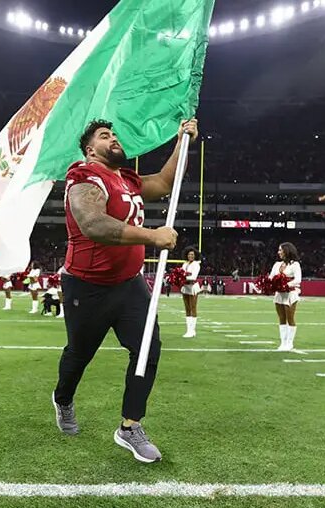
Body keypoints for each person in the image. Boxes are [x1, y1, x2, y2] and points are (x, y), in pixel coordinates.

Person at [52, 118, 197, 463]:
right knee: (79, 354)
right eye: (105, 136)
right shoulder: (84, 177)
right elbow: (93, 224)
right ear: (90, 149)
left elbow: (163, 182)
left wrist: (182, 141)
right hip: (87, 286)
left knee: (147, 348)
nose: (114, 139)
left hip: (129, 283)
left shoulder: (126, 179)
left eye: (115, 135)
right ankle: (63, 399)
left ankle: (130, 426)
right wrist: (152, 236)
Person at [270, 242, 302, 351]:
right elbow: (271, 277)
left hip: (290, 294)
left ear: (286, 251)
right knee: (281, 318)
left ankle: (290, 343)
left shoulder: (295, 264)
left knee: (290, 318)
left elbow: (298, 279)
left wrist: (285, 285)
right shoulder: (277, 264)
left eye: (280, 250)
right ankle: (283, 343)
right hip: (279, 294)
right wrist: (268, 284)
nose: (278, 252)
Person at [180, 248, 201, 338]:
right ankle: (188, 330)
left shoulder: (196, 264)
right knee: (187, 309)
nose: (190, 256)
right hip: (185, 287)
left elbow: (194, 276)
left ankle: (193, 330)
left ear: (195, 255)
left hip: (193, 287)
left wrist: (183, 277)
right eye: (189, 254)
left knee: (193, 307)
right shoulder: (185, 264)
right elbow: (180, 273)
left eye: (192, 254)